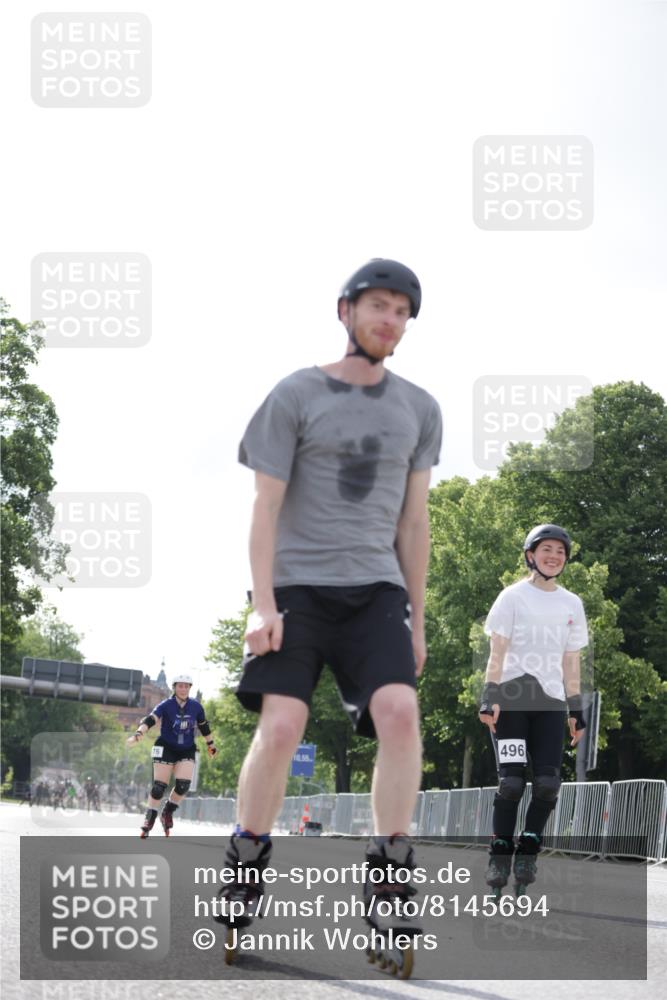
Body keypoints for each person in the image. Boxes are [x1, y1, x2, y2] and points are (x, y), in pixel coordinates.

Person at [216, 259, 442, 970]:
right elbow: (265, 508)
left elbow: (414, 523)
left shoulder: (419, 407)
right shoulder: (295, 393)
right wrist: (262, 605)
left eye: (402, 311)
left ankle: (387, 873)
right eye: (378, 306)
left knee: (400, 714)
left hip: (375, 593)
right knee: (281, 725)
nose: (390, 320)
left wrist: (418, 621)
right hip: (298, 591)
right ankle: (245, 860)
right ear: (344, 310)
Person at [479, 524, 589, 894]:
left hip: (551, 704)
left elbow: (570, 661)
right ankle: (499, 854)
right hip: (510, 700)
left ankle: (528, 849)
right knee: (511, 784)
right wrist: (488, 696)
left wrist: (576, 709)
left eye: (560, 551)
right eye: (547, 549)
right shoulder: (512, 597)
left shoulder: (572, 603)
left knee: (547, 785)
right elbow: (497, 652)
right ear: (531, 555)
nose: (554, 556)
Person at [127, 673, 218, 837]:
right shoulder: (166, 705)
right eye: (180, 686)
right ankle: (150, 817)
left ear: (190, 688)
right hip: (166, 746)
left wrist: (211, 745)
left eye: (186, 686)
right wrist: (138, 734)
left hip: (186, 748)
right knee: (158, 787)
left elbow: (204, 727)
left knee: (183, 785)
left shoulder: (196, 707)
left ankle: (167, 811)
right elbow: (151, 719)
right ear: (174, 688)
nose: (183, 689)